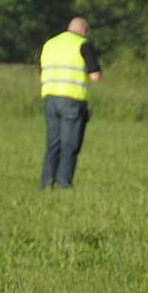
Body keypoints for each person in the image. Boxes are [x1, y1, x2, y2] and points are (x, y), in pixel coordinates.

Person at [38, 16, 102, 189]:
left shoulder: (49, 44)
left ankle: (46, 183)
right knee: (70, 145)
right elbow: (95, 75)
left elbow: (42, 71)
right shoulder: (83, 44)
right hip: (73, 100)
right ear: (83, 30)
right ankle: (63, 184)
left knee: (53, 144)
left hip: (50, 98)